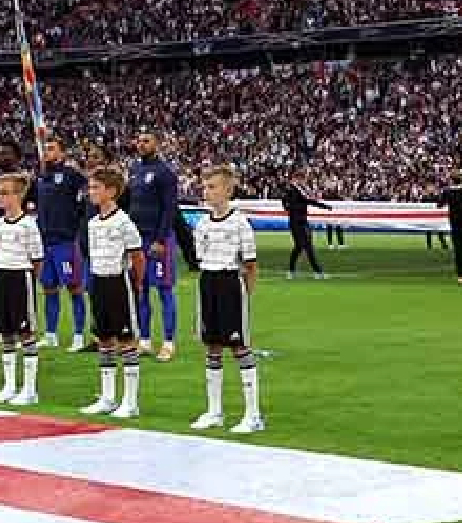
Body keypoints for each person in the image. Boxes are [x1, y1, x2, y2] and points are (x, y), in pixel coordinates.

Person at [190, 166, 263, 434]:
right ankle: (214, 411)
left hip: (231, 283)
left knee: (239, 347)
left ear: (228, 190)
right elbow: (200, 258)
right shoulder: (202, 224)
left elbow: (251, 264)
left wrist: (246, 296)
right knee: (212, 347)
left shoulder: (241, 223)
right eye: (205, 187)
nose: (207, 192)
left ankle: (253, 414)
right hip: (208, 282)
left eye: (213, 187)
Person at [80, 167, 145, 417]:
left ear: (112, 191)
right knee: (104, 338)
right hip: (99, 282)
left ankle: (130, 401)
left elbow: (137, 255)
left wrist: (136, 283)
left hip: (119, 282)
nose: (91, 192)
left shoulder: (123, 221)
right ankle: (107, 397)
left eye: (96, 187)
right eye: (91, 187)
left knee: (126, 340)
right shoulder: (93, 223)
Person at [0, 174, 44, 406]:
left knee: (26, 332)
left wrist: (29, 280)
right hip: (1, 275)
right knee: (6, 331)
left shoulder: (28, 224)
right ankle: (9, 384)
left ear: (19, 195)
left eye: (5, 192)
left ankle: (29, 388)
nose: (0, 197)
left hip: (21, 277)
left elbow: (37, 259)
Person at [127, 131, 182, 360]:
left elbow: (169, 209)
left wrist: (161, 240)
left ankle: (169, 342)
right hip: (138, 241)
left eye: (146, 141)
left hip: (158, 240)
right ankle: (145, 340)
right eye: (138, 141)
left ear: (157, 144)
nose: (141, 144)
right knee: (141, 291)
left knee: (164, 290)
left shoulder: (165, 173)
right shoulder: (134, 171)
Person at [34, 138, 91, 350]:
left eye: (51, 149)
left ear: (62, 152)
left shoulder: (71, 175)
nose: (46, 152)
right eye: (45, 149)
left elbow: (87, 197)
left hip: (65, 242)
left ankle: (78, 335)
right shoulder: (40, 177)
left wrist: (76, 224)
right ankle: (50, 334)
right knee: (49, 288)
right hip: (44, 242)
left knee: (74, 288)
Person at [281, 171, 332, 280]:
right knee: (308, 247)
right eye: (301, 179)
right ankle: (318, 272)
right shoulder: (291, 190)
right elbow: (287, 204)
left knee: (299, 247)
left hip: (300, 221)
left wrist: (323, 206)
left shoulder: (299, 190)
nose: (303, 181)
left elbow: (306, 201)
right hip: (297, 222)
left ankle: (291, 271)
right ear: (297, 179)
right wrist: (295, 208)